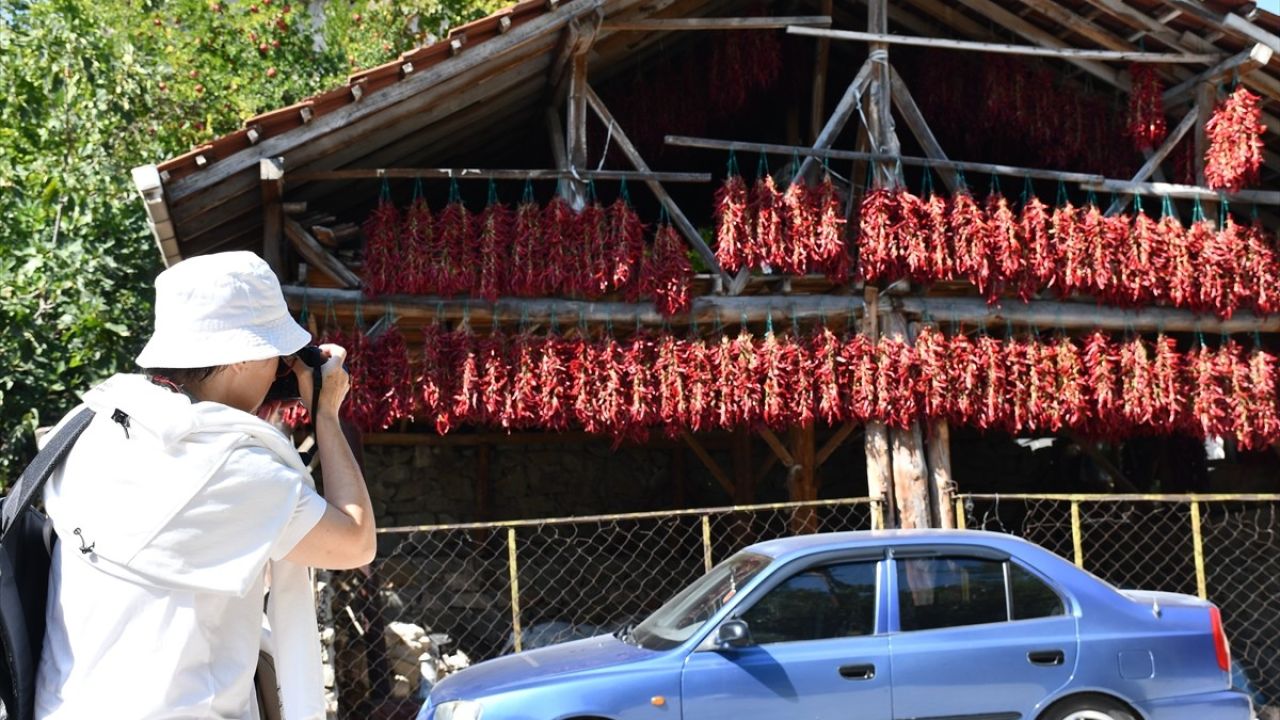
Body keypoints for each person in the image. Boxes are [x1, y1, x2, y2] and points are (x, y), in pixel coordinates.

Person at [33, 251, 376, 720]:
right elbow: (356, 542)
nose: (280, 366)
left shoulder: (90, 424)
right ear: (241, 356)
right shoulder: (235, 469)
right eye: (275, 352)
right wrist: (326, 414)